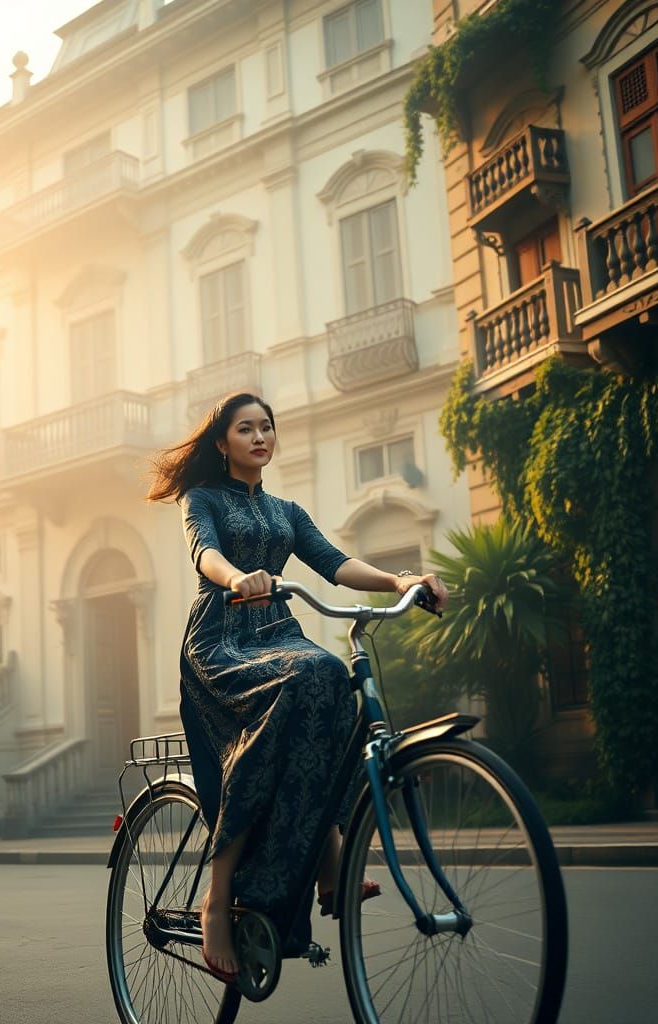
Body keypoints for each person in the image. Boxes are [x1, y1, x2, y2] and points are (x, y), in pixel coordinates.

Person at [147, 392, 448, 982]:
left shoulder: (287, 511)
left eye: (266, 428)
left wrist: (399, 579)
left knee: (332, 676)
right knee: (307, 681)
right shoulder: (201, 498)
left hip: (277, 633)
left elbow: (334, 562)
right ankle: (218, 896)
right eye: (245, 429)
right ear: (222, 443)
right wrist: (240, 577)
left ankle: (328, 865)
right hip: (221, 640)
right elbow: (203, 552)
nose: (259, 437)